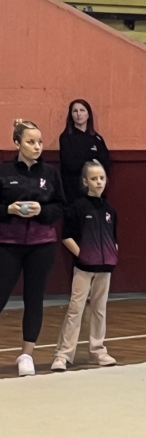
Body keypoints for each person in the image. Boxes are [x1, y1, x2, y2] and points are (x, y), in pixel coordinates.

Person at [0, 120, 66, 376]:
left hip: (42, 245)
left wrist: (42, 211)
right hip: (8, 244)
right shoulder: (4, 171)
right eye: (30, 142)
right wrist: (8, 209)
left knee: (34, 299)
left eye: (39, 142)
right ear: (17, 143)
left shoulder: (49, 173)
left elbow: (61, 206)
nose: (37, 146)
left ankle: (27, 354)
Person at [51, 161, 118, 371]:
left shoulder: (110, 210)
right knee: (76, 309)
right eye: (94, 178)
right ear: (85, 181)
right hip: (83, 268)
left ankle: (98, 350)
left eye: (102, 178)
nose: (98, 182)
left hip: (104, 269)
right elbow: (67, 236)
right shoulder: (77, 207)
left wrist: (112, 254)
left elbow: (113, 238)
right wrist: (84, 255)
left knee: (99, 309)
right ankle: (63, 354)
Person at [59, 100, 111, 205]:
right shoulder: (66, 138)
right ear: (71, 115)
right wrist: (92, 162)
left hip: (95, 191)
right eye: (75, 111)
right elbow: (70, 164)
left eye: (82, 110)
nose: (79, 114)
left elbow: (106, 162)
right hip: (73, 191)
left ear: (88, 114)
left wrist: (86, 163)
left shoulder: (97, 138)